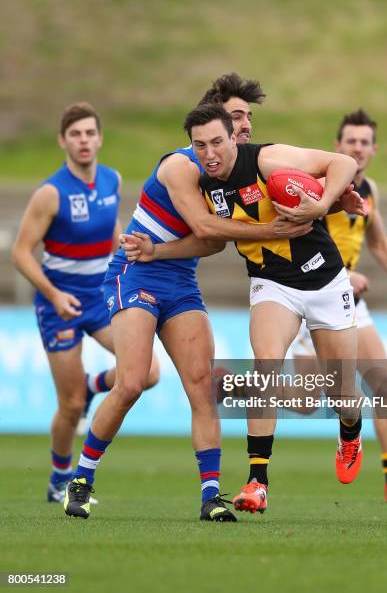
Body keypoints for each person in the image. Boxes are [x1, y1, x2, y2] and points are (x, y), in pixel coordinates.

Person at [62, 90, 315, 522]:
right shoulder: (180, 165)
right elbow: (202, 226)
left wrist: (164, 251)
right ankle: (81, 480)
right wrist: (273, 229)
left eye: (247, 118)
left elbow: (214, 242)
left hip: (178, 279)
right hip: (135, 273)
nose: (245, 125)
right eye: (236, 116)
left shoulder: (235, 177)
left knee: (202, 388)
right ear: (211, 126)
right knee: (132, 382)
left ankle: (210, 496)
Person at [123, 103, 365, 516]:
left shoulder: (268, 160)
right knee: (265, 366)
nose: (210, 153)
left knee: (342, 394)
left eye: (217, 141)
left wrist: (323, 204)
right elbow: (209, 237)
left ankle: (350, 432)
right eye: (201, 146)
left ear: (233, 137)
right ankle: (257, 481)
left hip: (326, 280)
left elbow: (342, 161)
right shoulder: (201, 182)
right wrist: (157, 251)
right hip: (272, 284)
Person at [290, 108, 387, 503]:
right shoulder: (318, 186)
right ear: (336, 147)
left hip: (349, 301)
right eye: (350, 141)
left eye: (363, 142)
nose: (357, 148)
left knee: (385, 382)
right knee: (308, 403)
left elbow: (377, 242)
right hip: (314, 296)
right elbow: (298, 236)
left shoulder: (369, 189)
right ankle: (232, 390)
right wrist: (341, 272)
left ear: (373, 149)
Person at [11, 103, 159, 504]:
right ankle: (59, 478)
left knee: (148, 372)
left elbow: (110, 228)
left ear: (100, 138)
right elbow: (21, 252)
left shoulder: (111, 180)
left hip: (99, 297)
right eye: (75, 134)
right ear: (63, 140)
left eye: (90, 133)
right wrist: (54, 294)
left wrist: (126, 249)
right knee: (70, 404)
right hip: (59, 304)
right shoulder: (50, 193)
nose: (84, 141)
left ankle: (95, 387)